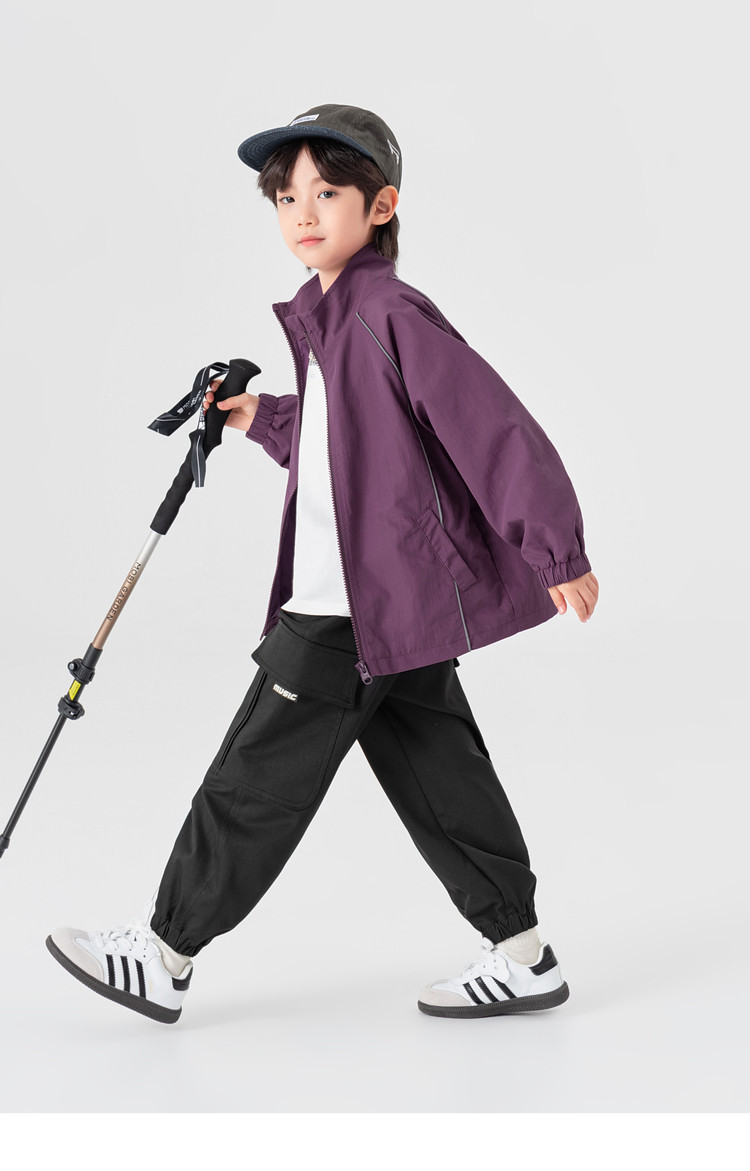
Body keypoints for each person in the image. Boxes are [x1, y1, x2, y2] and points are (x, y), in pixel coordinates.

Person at [46, 104, 599, 1024]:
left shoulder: (386, 313)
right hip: (394, 608)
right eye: (286, 196)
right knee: (443, 776)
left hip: (346, 603)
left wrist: (556, 545)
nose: (303, 212)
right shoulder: (334, 320)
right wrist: (256, 415)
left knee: (256, 772)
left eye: (328, 192)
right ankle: (523, 953)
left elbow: (488, 422)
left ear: (381, 205)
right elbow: (344, 442)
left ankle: (166, 954)